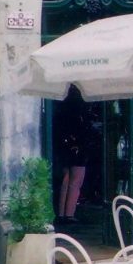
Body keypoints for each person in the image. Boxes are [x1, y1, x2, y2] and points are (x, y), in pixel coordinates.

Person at [54, 86, 94, 225]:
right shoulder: (80, 112)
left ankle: (61, 213)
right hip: (77, 149)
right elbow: (84, 131)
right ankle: (69, 213)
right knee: (76, 181)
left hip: (64, 148)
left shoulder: (62, 110)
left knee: (65, 180)